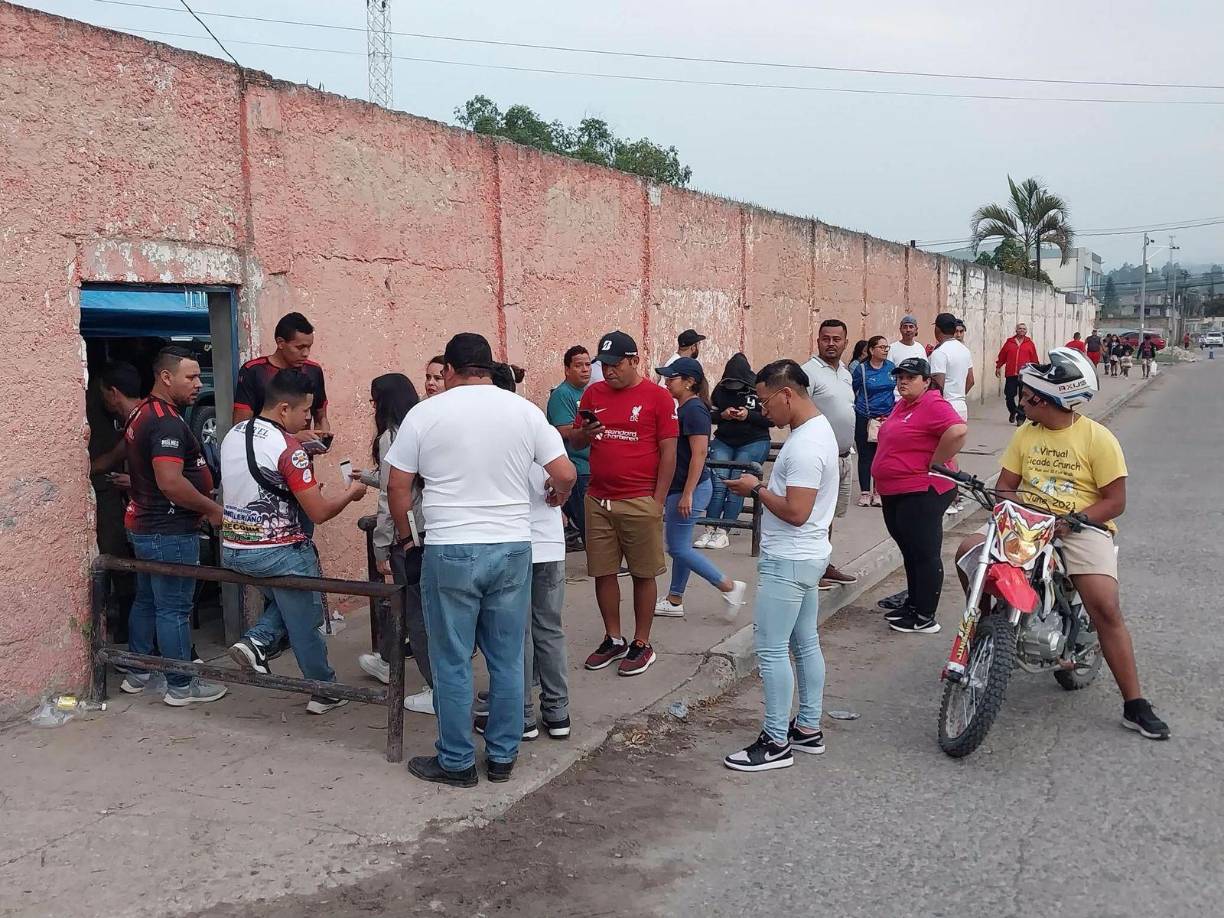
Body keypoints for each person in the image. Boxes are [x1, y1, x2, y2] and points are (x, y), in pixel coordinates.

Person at [386, 333, 576, 788]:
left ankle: (456, 762)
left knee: (452, 660)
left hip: (449, 547)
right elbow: (565, 472)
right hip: (512, 546)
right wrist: (558, 494)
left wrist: (408, 539)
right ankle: (503, 757)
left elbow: (397, 486)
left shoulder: (425, 413)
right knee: (507, 658)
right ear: (489, 368)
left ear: (449, 370)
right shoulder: (525, 411)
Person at [954, 348, 1170, 740]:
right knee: (967, 551)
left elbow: (1115, 501)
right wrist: (1008, 509)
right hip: (1028, 524)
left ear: (1048, 399)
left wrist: (1076, 521)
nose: (1021, 399)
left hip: (1081, 527)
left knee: (1105, 606)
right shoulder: (1025, 433)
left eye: (1028, 395)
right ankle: (985, 632)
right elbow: (1006, 486)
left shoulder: (1098, 439)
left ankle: (1135, 704)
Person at [222, 370, 368, 714]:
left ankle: (257, 641)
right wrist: (350, 494)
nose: (309, 419)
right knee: (307, 617)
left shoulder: (234, 434)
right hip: (278, 552)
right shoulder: (289, 450)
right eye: (306, 412)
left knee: (288, 605)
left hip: (234, 548)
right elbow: (317, 513)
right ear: (285, 409)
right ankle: (323, 689)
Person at [721, 360, 839, 772]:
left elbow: (796, 511)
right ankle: (807, 728)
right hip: (806, 557)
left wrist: (756, 489)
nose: (762, 411)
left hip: (789, 558)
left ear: (786, 394)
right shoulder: (817, 431)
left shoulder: (806, 446)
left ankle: (775, 742)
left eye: (765, 400)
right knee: (803, 642)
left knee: (771, 650)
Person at [119, 346, 227, 706]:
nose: (198, 384)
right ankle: (182, 684)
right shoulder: (165, 420)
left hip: (146, 524)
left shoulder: (141, 411)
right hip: (168, 529)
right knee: (174, 608)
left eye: (198, 377)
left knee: (148, 599)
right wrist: (211, 508)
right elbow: (170, 481)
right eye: (191, 377)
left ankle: (139, 670)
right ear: (166, 377)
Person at [474, 364, 572, 741]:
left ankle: (524, 716)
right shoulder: (536, 424)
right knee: (549, 630)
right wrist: (559, 496)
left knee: (516, 634)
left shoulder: (488, 432)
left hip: (512, 543)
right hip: (548, 541)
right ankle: (558, 713)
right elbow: (563, 475)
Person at [571, 331, 678, 677]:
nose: (609, 371)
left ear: (634, 360)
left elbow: (668, 452)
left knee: (643, 572)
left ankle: (642, 643)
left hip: (639, 499)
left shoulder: (658, 398)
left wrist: (657, 501)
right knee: (603, 571)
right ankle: (613, 638)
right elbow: (575, 439)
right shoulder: (593, 393)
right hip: (598, 498)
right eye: (604, 365)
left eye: (616, 364)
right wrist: (584, 434)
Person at [352, 374, 435, 716]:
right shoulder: (425, 426)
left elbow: (392, 496)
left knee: (414, 612)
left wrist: (382, 546)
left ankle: (435, 686)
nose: (372, 407)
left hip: (409, 535)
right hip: (435, 528)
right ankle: (390, 658)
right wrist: (367, 477)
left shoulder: (391, 437)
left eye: (374, 399)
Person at [871, 357, 967, 635]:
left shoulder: (933, 403)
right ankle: (913, 604)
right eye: (900, 376)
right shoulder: (904, 404)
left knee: (924, 553)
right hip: (897, 490)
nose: (903, 381)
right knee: (910, 551)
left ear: (926, 381)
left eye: (911, 377)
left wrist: (937, 462)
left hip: (922, 490)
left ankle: (925, 616)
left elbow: (958, 430)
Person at [653, 358, 747, 618]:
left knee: (678, 547)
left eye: (672, 378)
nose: (667, 382)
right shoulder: (686, 407)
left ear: (689, 382)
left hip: (687, 487)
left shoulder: (693, 409)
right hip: (684, 486)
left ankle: (728, 586)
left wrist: (688, 493)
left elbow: (700, 453)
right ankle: (674, 599)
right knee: (681, 545)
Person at [800, 320, 859, 591]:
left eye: (837, 339)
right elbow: (798, 413)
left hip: (844, 456)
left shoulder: (846, 373)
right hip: (820, 458)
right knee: (815, 516)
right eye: (826, 338)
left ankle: (825, 565)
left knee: (830, 515)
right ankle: (811, 570)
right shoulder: (808, 373)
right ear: (818, 341)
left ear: (846, 342)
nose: (831, 343)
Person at [700, 353, 772, 549]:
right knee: (718, 482)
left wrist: (748, 415)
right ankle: (710, 527)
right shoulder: (720, 391)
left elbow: (770, 419)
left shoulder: (758, 390)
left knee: (736, 483)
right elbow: (709, 415)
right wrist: (723, 415)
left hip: (753, 441)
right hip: (724, 440)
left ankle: (724, 530)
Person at [233, 312, 329, 432]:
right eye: (299, 347)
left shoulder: (314, 371)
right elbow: (240, 427)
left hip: (302, 450)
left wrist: (323, 436)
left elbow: (321, 416)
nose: (305, 353)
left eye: (309, 347)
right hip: (264, 448)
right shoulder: (253, 371)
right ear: (280, 343)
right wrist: (293, 440)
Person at [546, 345, 593, 548]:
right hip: (577, 467)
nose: (585, 369)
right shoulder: (562, 395)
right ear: (567, 369)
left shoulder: (588, 392)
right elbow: (562, 430)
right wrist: (588, 429)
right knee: (588, 523)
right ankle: (602, 566)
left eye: (588, 364)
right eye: (579, 365)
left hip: (592, 467)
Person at [929, 313, 974, 516]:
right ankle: (954, 495)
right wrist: (958, 395)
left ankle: (952, 496)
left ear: (938, 329)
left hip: (944, 407)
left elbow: (938, 383)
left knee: (942, 456)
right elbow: (971, 380)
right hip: (960, 405)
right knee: (951, 454)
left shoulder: (940, 352)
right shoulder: (963, 350)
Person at [850, 336, 894, 507]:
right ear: (871, 350)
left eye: (886, 347)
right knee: (865, 455)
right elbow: (853, 390)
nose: (885, 350)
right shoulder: (861, 369)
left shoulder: (891, 368)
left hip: (886, 417)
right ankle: (865, 492)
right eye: (881, 347)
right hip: (865, 417)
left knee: (881, 456)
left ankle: (878, 491)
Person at [995, 323, 1040, 425]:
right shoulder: (1009, 342)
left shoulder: (1029, 344)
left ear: (1026, 331)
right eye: (1020, 328)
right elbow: (1002, 356)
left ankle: (1021, 417)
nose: (1022, 330)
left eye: (1024, 329)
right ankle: (1013, 411)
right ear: (1016, 330)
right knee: (1009, 396)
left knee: (1023, 397)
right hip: (1011, 374)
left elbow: (1034, 358)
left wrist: (1036, 371)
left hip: (1025, 375)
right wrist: (998, 366)